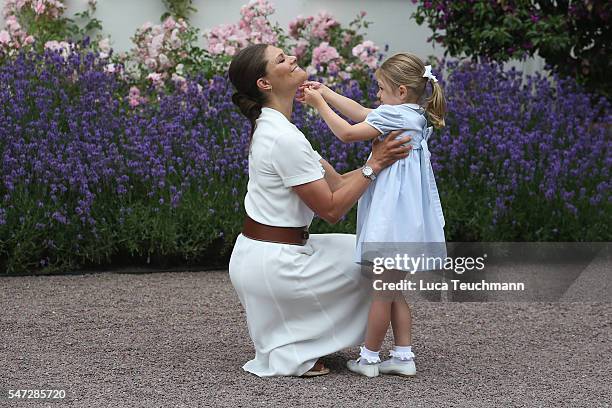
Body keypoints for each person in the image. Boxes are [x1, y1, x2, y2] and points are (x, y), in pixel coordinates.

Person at [227, 44, 412, 377]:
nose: (293, 58)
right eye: (281, 60)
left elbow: (339, 183)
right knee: (379, 263)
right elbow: (331, 208)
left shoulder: (281, 130)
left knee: (377, 254)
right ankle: (294, 349)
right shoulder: (282, 138)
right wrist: (375, 163)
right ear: (264, 84)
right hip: (274, 263)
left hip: (271, 251)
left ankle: (399, 352)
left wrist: (384, 162)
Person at [300, 53, 447, 377]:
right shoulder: (414, 115)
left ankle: (369, 359)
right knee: (393, 292)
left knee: (382, 293)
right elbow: (366, 113)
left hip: (392, 222)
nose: (377, 95)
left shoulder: (396, 117)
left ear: (402, 91)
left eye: (381, 89)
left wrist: (318, 106)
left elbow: (349, 133)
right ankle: (404, 357)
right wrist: (326, 92)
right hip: (408, 223)